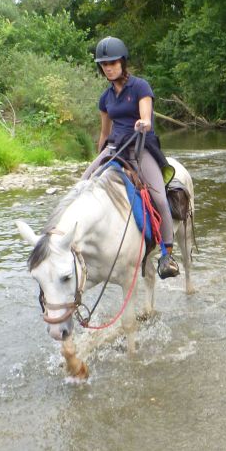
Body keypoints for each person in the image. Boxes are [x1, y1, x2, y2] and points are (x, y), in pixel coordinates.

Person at [81, 36, 179, 278]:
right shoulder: (105, 98)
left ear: (123, 62)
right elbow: (105, 132)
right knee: (83, 182)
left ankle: (167, 254)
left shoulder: (140, 86)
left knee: (159, 197)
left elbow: (146, 117)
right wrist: (100, 155)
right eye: (104, 64)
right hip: (115, 147)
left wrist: (143, 122)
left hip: (140, 145)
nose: (108, 68)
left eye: (112, 63)